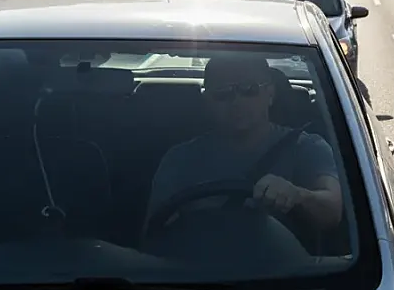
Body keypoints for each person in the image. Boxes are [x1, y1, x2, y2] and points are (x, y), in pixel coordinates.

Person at [145, 53, 343, 232]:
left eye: (249, 89)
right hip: (199, 268)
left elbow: (334, 209)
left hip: (292, 270)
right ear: (207, 101)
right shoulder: (179, 159)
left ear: (270, 94)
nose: (236, 101)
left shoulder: (306, 148)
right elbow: (154, 236)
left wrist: (298, 196)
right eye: (222, 93)